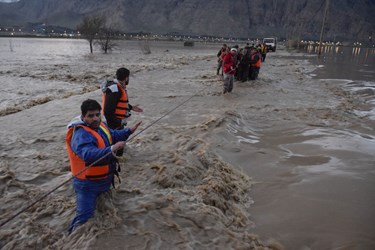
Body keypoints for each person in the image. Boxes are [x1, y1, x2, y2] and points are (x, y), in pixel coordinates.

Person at [66, 99, 141, 233]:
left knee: (105, 209)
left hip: (104, 180)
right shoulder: (80, 134)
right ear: (83, 117)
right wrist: (111, 149)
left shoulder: (101, 125)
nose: (95, 118)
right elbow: (88, 154)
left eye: (97, 114)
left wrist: (128, 131)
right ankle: (71, 241)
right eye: (90, 116)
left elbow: (112, 134)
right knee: (84, 221)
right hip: (87, 185)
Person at [101, 67, 142, 156]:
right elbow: (107, 110)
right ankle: (119, 161)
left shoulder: (118, 87)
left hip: (116, 122)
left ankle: (119, 160)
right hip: (115, 123)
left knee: (118, 145)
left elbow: (117, 103)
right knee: (118, 149)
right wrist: (118, 121)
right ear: (126, 78)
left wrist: (131, 107)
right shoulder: (115, 89)